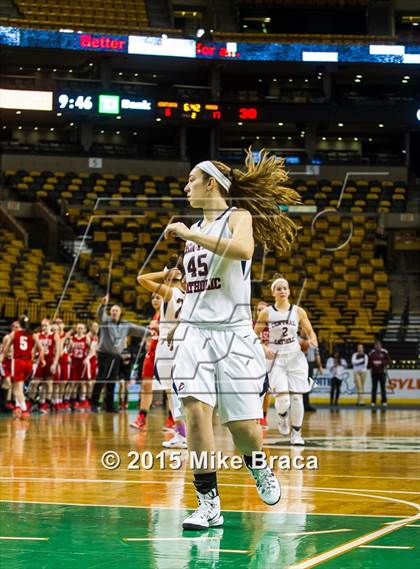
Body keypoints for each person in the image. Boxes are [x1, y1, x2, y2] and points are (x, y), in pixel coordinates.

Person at [164, 148, 300, 530]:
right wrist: (180, 325)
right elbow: (197, 287)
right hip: (195, 336)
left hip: (234, 337)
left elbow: (243, 250)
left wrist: (188, 233)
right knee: (195, 413)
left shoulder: (237, 217)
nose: (186, 186)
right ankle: (208, 502)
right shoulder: (195, 234)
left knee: (243, 430)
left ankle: (259, 467)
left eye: (192, 179)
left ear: (211, 183)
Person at [254, 276, 321, 445]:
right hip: (276, 359)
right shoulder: (266, 312)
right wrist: (263, 346)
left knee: (297, 397)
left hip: (295, 357)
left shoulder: (298, 311)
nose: (282, 291)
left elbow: (310, 332)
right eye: (279, 288)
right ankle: (282, 415)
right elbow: (253, 336)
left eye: (285, 288)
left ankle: (296, 434)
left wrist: (312, 339)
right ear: (273, 293)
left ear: (289, 291)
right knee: (283, 400)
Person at [136, 256, 187, 449]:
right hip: (186, 344)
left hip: (168, 345)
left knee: (171, 391)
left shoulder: (169, 292)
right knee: (180, 391)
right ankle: (182, 433)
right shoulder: (189, 294)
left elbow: (142, 279)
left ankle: (182, 435)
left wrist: (162, 274)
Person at [91, 296, 147, 412]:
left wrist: (152, 331)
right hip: (104, 354)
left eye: (116, 310)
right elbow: (100, 314)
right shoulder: (105, 321)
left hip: (116, 356)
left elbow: (139, 329)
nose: (114, 312)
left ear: (120, 313)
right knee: (101, 379)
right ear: (110, 312)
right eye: (112, 310)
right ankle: (94, 403)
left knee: (112, 381)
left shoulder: (125, 325)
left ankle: (109, 406)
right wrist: (103, 305)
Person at [0, 315, 45, 419]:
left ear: (19, 324)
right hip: (29, 363)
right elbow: (41, 349)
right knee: (19, 387)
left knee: (17, 389)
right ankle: (17, 407)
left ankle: (24, 410)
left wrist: (2, 359)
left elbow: (5, 350)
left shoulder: (14, 334)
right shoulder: (33, 334)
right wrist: (42, 360)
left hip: (18, 362)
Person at [131, 293, 162, 430]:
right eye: (153, 298)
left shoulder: (169, 313)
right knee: (146, 386)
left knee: (169, 388)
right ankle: (141, 418)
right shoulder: (155, 315)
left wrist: (158, 327)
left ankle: (173, 420)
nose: (154, 300)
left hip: (164, 353)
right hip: (152, 352)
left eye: (157, 297)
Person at [32, 319, 60, 414]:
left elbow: (58, 352)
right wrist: (33, 359)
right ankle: (34, 402)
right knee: (35, 383)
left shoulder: (55, 336)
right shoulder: (39, 336)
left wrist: (55, 363)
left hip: (50, 361)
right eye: (42, 325)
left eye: (45, 325)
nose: (43, 327)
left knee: (48, 383)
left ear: (50, 325)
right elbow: (34, 349)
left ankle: (47, 403)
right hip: (41, 361)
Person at [254, 300, 270, 429]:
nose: (260, 312)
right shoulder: (250, 325)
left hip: (270, 362)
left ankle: (264, 416)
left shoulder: (273, 326)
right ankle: (254, 415)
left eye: (263, 309)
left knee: (267, 392)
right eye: (259, 309)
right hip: (254, 361)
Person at [368, 339, 390, 409]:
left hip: (382, 372)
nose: (377, 346)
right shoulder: (372, 352)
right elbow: (369, 361)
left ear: (380, 345)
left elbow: (388, 360)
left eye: (378, 345)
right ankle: (373, 401)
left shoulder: (384, 352)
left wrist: (381, 363)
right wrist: (373, 363)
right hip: (374, 372)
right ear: (374, 346)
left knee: (383, 387)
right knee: (374, 388)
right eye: (376, 345)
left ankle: (384, 401)